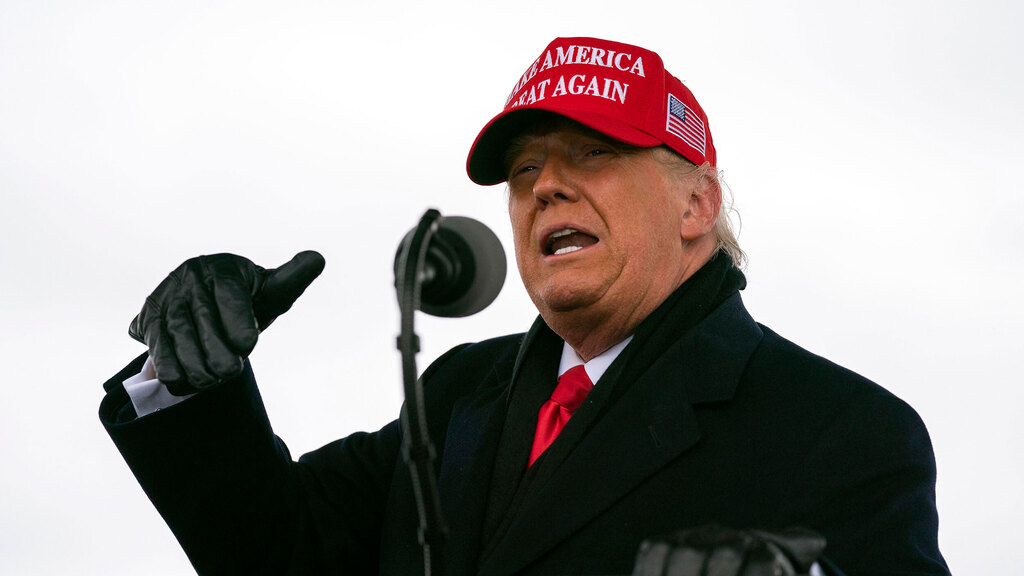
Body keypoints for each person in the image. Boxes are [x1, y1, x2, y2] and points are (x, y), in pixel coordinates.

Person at [99, 37, 950, 575]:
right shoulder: (457, 394)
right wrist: (192, 380)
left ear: (697, 204)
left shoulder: (843, 432)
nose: (546, 186)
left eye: (592, 153)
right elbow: (283, 554)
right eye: (524, 171)